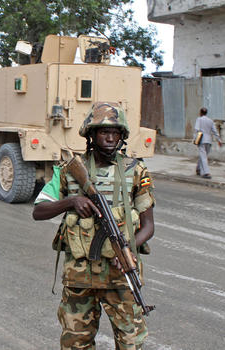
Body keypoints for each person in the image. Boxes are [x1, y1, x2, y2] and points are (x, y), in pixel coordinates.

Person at [33, 102, 155, 350]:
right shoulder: (69, 171)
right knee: (76, 344)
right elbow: (39, 211)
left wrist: (130, 248)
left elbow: (148, 226)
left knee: (132, 344)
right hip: (80, 280)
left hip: (121, 278)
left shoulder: (136, 170)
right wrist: (71, 201)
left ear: (122, 136)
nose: (110, 138)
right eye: (103, 132)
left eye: (115, 133)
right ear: (91, 134)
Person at [194, 107, 222, 179]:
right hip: (209, 140)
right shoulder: (210, 121)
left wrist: (195, 139)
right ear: (206, 113)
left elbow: (196, 130)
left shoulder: (199, 119)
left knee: (203, 156)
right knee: (203, 155)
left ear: (200, 112)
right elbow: (215, 131)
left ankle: (206, 173)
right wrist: (219, 140)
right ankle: (198, 169)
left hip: (201, 139)